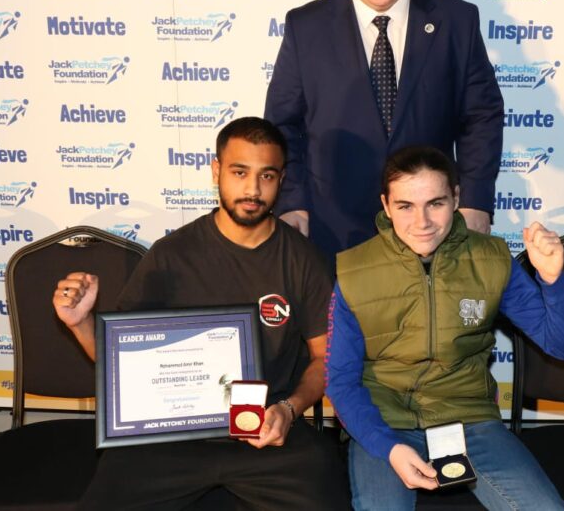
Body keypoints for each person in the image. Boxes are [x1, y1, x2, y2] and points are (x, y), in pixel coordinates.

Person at [53, 117, 349, 510]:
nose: (252, 189)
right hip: (171, 436)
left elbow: (323, 357)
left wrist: (289, 409)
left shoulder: (303, 259)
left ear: (281, 179)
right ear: (216, 171)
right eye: (239, 172)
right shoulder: (171, 254)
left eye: (267, 176)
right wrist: (82, 324)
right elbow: (119, 362)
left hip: (267, 430)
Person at [325, 146, 564, 510]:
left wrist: (552, 279)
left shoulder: (492, 259)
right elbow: (340, 381)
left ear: (457, 198)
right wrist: (390, 448)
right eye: (405, 206)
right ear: (385, 205)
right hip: (385, 423)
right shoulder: (354, 271)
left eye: (436, 203)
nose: (422, 222)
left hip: (470, 419)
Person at [264, 0, 503, 260]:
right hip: (333, 235)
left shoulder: (457, 21)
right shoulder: (305, 27)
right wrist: (292, 202)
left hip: (431, 234)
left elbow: (481, 118)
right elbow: (283, 126)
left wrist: (474, 201)